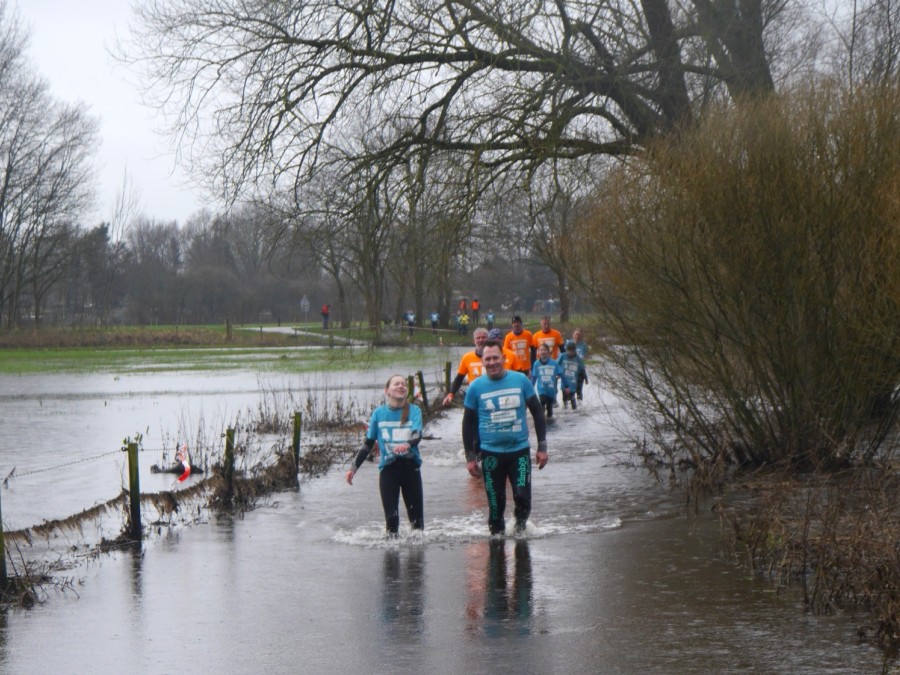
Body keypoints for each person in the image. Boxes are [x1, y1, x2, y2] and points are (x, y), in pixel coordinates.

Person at [463, 341, 548, 535]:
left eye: (495, 358)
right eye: (488, 359)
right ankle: (497, 546)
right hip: (491, 454)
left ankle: (519, 530)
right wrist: (470, 457)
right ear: (482, 361)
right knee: (496, 506)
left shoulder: (521, 380)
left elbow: (537, 412)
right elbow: (467, 423)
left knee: (523, 499)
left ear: (504, 358)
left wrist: (542, 447)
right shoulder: (475, 387)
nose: (492, 362)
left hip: (519, 451)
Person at [346, 375, 425, 536]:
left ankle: (417, 552)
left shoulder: (414, 411)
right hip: (389, 470)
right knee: (391, 522)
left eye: (403, 384)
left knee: (417, 524)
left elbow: (417, 434)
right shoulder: (378, 414)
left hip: (411, 469)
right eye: (397, 384)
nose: (401, 386)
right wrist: (353, 468)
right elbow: (368, 443)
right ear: (387, 390)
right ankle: (391, 550)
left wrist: (407, 444)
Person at [443, 328, 490, 406]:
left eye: (484, 337)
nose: (481, 340)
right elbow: (459, 378)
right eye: (478, 338)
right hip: (474, 396)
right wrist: (451, 394)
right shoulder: (467, 357)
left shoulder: (495, 357)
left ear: (489, 339)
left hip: (491, 393)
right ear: (474, 341)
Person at [530, 343, 571, 419]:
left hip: (551, 390)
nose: (543, 352)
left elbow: (562, 374)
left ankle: (550, 421)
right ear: (538, 352)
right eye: (541, 350)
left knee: (549, 408)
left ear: (548, 352)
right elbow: (534, 377)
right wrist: (530, 388)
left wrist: (567, 386)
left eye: (545, 350)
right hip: (541, 389)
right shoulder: (536, 364)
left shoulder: (554, 363)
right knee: (542, 402)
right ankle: (541, 420)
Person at [557, 341, 587, 409]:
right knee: (564, 399)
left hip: (573, 382)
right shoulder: (562, 356)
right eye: (569, 350)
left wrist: (586, 378)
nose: (570, 352)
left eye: (572, 351)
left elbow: (582, 368)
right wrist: (557, 374)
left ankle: (574, 410)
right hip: (564, 382)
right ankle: (565, 410)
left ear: (574, 350)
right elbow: (556, 365)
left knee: (572, 397)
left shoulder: (577, 358)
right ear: (566, 350)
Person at [571, 328, 589, 400]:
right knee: (571, 391)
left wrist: (586, 377)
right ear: (573, 335)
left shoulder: (584, 346)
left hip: (580, 371)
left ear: (581, 336)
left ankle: (580, 405)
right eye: (576, 334)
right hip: (571, 371)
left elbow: (583, 357)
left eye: (579, 335)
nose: (577, 336)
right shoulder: (569, 344)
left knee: (579, 391)